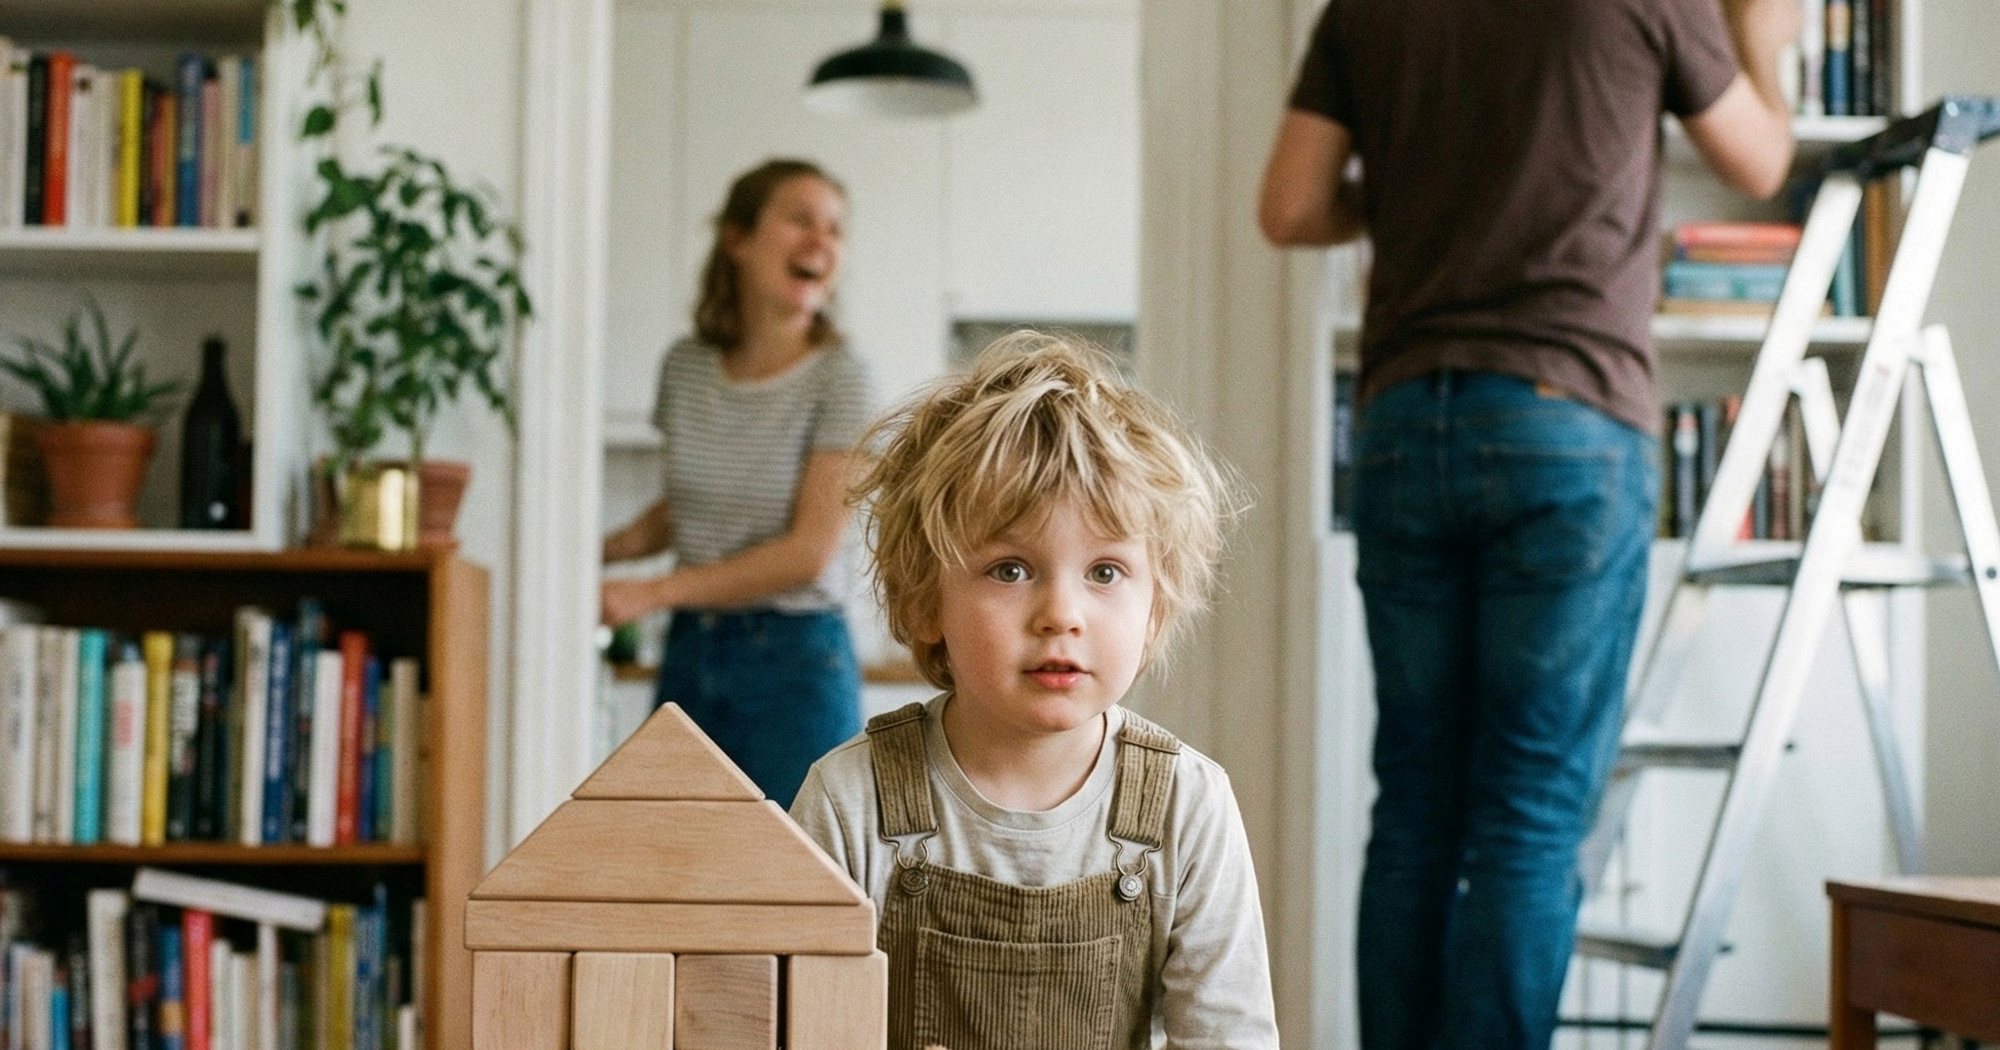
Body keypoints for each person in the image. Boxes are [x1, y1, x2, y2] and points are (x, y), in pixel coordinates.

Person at [1257, 0, 1800, 1047]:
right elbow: (1758, 160)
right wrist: (1759, 45)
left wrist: (1421, 193)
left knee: (1412, 807)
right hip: (1565, 420)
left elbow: (1287, 207)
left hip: (1404, 425)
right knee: (1528, 811)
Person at [790, 332, 1277, 1050]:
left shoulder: (1188, 806)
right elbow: (798, 1028)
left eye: (1105, 572)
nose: (1061, 614)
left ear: (1155, 612)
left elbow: (1229, 1038)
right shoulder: (849, 803)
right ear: (926, 601)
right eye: (1010, 570)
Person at [601, 158, 875, 809]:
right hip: (693, 650)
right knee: (679, 870)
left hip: (796, 661)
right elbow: (689, 512)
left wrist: (653, 592)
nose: (822, 242)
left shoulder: (841, 376)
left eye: (834, 228)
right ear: (738, 239)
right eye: (799, 220)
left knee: (794, 886)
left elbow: (808, 551)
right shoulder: (686, 367)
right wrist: (595, 553)